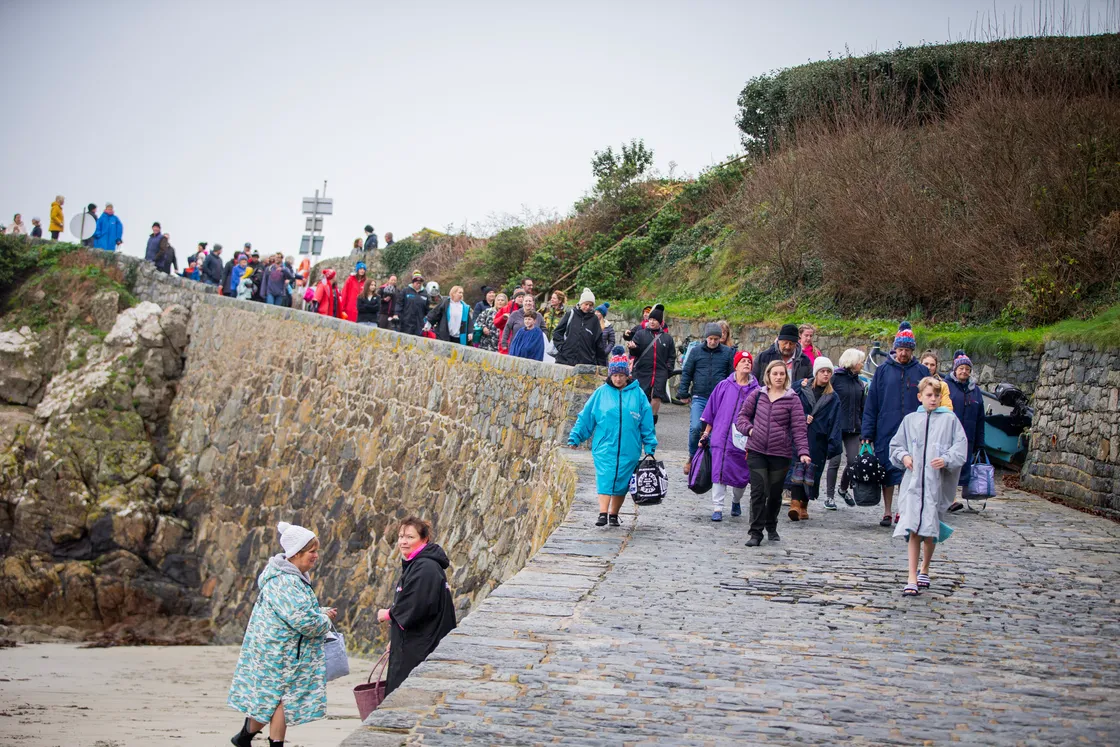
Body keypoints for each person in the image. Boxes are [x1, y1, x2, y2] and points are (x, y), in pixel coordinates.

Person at [228, 521, 337, 747]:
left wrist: (319, 612)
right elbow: (305, 622)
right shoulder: (286, 581)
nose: (316, 556)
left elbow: (294, 612)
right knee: (279, 701)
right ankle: (267, 742)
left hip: (278, 651)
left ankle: (243, 738)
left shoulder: (285, 576)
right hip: (280, 655)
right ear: (296, 553)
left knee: (269, 700)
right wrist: (324, 619)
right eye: (312, 551)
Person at [891, 377, 968, 596]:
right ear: (920, 396)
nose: (933, 399)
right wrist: (904, 456)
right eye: (928, 395)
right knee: (913, 527)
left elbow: (960, 448)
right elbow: (896, 445)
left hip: (937, 485)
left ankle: (925, 567)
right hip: (914, 485)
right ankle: (911, 576)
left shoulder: (950, 421)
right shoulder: (910, 420)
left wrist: (946, 459)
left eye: (936, 396)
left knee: (930, 528)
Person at [568, 346, 658, 527]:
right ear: (610, 375)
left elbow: (646, 423)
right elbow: (586, 416)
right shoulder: (601, 393)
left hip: (629, 447)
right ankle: (603, 513)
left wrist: (650, 445)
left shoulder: (638, 395)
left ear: (627, 376)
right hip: (604, 446)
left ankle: (614, 514)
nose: (618, 379)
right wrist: (576, 436)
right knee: (605, 476)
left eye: (621, 375)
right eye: (615, 375)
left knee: (622, 481)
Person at [376, 517, 456, 696]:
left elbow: (417, 605)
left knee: (407, 697)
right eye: (401, 536)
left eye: (410, 537)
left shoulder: (425, 567)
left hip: (421, 647)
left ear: (424, 539)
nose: (403, 542)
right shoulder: (418, 564)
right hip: (415, 642)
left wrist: (388, 613)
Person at [736, 360, 812, 547]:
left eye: (782, 374)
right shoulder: (757, 395)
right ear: (768, 376)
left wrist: (803, 451)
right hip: (756, 450)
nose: (778, 377)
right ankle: (755, 532)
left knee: (774, 494)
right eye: (775, 373)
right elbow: (742, 417)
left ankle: (771, 525)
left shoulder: (792, 399)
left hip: (780, 453)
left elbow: (799, 428)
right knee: (758, 492)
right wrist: (750, 430)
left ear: (786, 377)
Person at [862, 322, 927, 528]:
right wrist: (867, 433)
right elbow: (872, 403)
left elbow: (930, 399)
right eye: (900, 349)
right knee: (887, 471)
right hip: (886, 428)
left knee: (908, 471)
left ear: (912, 350)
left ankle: (902, 510)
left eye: (907, 350)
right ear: (895, 348)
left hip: (914, 430)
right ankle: (888, 511)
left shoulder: (922, 371)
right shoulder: (882, 371)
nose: (903, 353)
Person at [697, 351, 759, 521]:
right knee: (718, 472)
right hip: (720, 438)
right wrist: (706, 434)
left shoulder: (757, 391)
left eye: (749, 361)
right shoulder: (723, 386)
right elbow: (712, 411)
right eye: (743, 361)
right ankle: (717, 507)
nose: (746, 364)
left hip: (742, 440)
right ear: (736, 365)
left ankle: (736, 500)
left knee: (741, 475)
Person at [788, 356, 843, 521]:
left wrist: (833, 445)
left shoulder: (833, 397)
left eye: (828, 372)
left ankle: (804, 504)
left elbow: (836, 422)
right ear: (816, 373)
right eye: (822, 371)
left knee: (812, 472)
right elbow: (790, 403)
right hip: (800, 435)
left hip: (819, 439)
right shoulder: (802, 388)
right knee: (797, 468)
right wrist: (802, 416)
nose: (825, 375)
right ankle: (795, 504)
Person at [678, 322, 734, 470]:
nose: (713, 342)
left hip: (719, 399)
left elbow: (731, 376)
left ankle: (710, 461)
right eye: (711, 338)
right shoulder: (696, 352)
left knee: (716, 432)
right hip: (700, 396)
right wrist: (683, 392)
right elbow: (687, 372)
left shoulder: (727, 353)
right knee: (696, 427)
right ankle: (692, 456)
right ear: (706, 338)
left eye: (716, 339)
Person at [825, 348, 867, 509]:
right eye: (860, 361)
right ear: (852, 362)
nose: (862, 364)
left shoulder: (859, 382)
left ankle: (843, 489)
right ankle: (829, 497)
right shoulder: (835, 378)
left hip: (854, 427)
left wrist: (864, 428)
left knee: (853, 461)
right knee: (834, 461)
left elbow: (862, 406)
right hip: (836, 425)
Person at [945, 351, 985, 512]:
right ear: (955, 370)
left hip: (969, 435)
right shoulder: (947, 387)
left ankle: (953, 497)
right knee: (950, 466)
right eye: (961, 368)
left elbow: (981, 418)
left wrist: (980, 442)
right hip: (950, 435)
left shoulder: (975, 391)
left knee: (963, 467)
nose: (964, 371)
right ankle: (950, 499)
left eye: (967, 369)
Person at [627, 306, 675, 424]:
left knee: (657, 397)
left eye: (655, 320)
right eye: (650, 319)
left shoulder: (667, 338)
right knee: (641, 397)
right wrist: (633, 348)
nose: (652, 322)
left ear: (660, 322)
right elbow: (635, 353)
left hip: (660, 372)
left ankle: (651, 423)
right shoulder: (640, 334)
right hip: (643, 371)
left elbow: (671, 356)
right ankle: (639, 421)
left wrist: (668, 371)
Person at [553, 288, 605, 366]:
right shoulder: (570, 314)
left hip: (586, 363)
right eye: (586, 304)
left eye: (590, 305)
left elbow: (599, 343)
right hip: (565, 360)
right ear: (581, 303)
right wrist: (562, 347)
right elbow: (557, 332)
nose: (588, 307)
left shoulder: (594, 320)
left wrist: (601, 364)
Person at [396, 272, 430, 336]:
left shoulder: (425, 294)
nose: (418, 285)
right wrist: (396, 314)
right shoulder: (405, 291)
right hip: (406, 322)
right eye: (417, 283)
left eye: (420, 283)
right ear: (413, 282)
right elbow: (399, 304)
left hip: (419, 324)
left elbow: (427, 309)